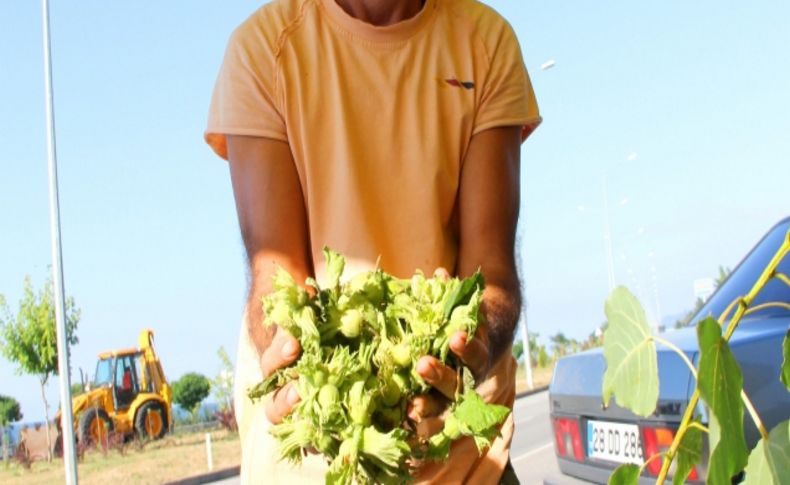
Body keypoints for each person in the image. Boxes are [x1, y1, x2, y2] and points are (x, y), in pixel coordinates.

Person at [205, 0, 540, 483]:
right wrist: (283, 354)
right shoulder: (264, 51)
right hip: (312, 465)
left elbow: (493, 273)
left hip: (463, 465)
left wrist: (475, 346)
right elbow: (274, 278)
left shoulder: (484, 44)